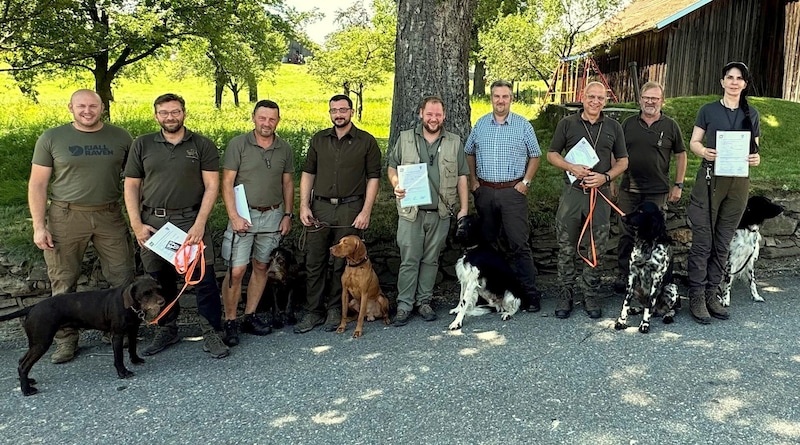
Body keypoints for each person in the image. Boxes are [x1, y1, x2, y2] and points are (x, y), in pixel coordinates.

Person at [28, 89, 135, 364]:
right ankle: (66, 341)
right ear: (70, 108)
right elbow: (37, 184)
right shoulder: (52, 138)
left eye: (93, 106)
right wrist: (39, 226)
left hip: (109, 214)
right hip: (66, 215)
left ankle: (116, 331)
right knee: (63, 280)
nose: (87, 111)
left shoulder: (121, 137)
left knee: (122, 276)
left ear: (103, 108)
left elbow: (135, 179)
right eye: (81, 106)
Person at [123, 93, 229, 358]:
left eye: (175, 111)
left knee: (203, 281)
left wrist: (200, 224)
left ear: (184, 112)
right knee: (160, 281)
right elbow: (132, 185)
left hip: (189, 221)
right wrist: (137, 225)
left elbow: (212, 185)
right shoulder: (142, 144)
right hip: (153, 223)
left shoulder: (202, 145)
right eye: (164, 112)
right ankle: (167, 329)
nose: (170, 117)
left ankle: (211, 333)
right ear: (156, 115)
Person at [294, 94, 382, 334]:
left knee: (340, 262)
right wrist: (304, 205)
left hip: (351, 208)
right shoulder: (319, 140)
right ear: (330, 112)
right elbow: (307, 173)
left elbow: (374, 178)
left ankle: (335, 309)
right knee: (314, 260)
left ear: (351, 112)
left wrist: (366, 211)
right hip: (320, 207)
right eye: (334, 110)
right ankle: (313, 311)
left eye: (343, 109)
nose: (338, 114)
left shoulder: (366, 141)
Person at [685, 61, 761, 324]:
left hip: (738, 182)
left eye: (739, 78)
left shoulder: (752, 113)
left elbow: (755, 152)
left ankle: (711, 293)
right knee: (703, 240)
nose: (734, 82)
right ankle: (696, 294)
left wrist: (755, 159)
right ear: (722, 82)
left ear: (745, 84)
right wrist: (704, 151)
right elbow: (694, 142)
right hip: (710, 179)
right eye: (729, 77)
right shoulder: (708, 110)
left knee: (723, 239)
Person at [546, 81, 628, 319]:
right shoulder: (567, 123)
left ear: (605, 101)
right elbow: (551, 154)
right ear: (583, 98)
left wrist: (605, 177)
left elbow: (623, 161)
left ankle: (591, 293)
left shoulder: (613, 126)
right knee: (565, 246)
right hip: (573, 195)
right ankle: (565, 293)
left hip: (599, 196)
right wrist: (570, 166)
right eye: (591, 97)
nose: (595, 102)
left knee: (595, 248)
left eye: (600, 98)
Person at [387, 96, 469, 326]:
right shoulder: (405, 138)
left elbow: (463, 176)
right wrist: (396, 184)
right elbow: (392, 167)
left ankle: (424, 302)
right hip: (411, 212)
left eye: (438, 115)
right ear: (421, 113)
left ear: (444, 116)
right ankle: (404, 305)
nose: (434, 119)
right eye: (430, 114)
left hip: (440, 212)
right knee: (409, 260)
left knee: (431, 260)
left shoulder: (454, 141)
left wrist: (463, 208)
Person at [219, 99, 294, 345]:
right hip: (244, 215)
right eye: (262, 118)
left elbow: (287, 183)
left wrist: (287, 214)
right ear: (254, 117)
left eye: (272, 119)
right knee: (237, 270)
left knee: (261, 267)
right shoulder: (238, 144)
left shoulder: (284, 148)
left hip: (272, 215)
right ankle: (230, 320)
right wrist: (234, 216)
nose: (267, 123)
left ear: (278, 121)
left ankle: (249, 315)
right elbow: (227, 182)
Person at [463, 79, 542, 313]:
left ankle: (529, 294)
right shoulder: (481, 124)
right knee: (487, 244)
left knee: (519, 243)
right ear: (491, 98)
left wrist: (526, 182)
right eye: (497, 96)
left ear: (511, 99)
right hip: (485, 191)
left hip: (512, 192)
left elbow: (536, 155)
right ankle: (488, 293)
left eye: (505, 96)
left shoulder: (522, 125)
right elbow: (469, 152)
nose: (501, 100)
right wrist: (474, 181)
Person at [613, 81, 687, 293]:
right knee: (626, 234)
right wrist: (612, 180)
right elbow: (615, 153)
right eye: (646, 98)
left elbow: (681, 155)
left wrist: (678, 184)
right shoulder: (627, 124)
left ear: (662, 101)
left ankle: (653, 276)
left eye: (655, 98)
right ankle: (624, 275)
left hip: (657, 191)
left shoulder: (671, 126)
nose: (650, 102)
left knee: (654, 235)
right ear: (640, 100)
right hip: (629, 189)